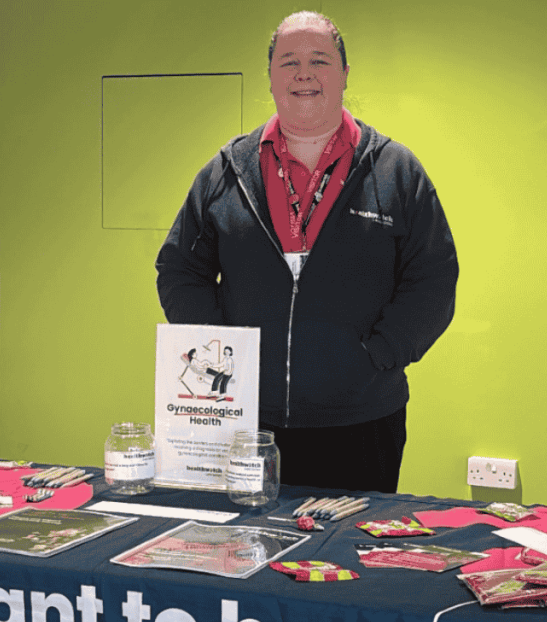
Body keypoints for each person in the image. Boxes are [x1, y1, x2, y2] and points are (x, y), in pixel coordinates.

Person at [156, 11, 458, 493]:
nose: (303, 73)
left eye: (319, 60)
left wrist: (378, 354)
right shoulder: (225, 171)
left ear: (343, 75)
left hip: (361, 419)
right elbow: (178, 270)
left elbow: (434, 279)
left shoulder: (397, 172)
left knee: (347, 560)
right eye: (288, 61)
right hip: (245, 423)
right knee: (248, 550)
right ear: (271, 78)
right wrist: (223, 350)